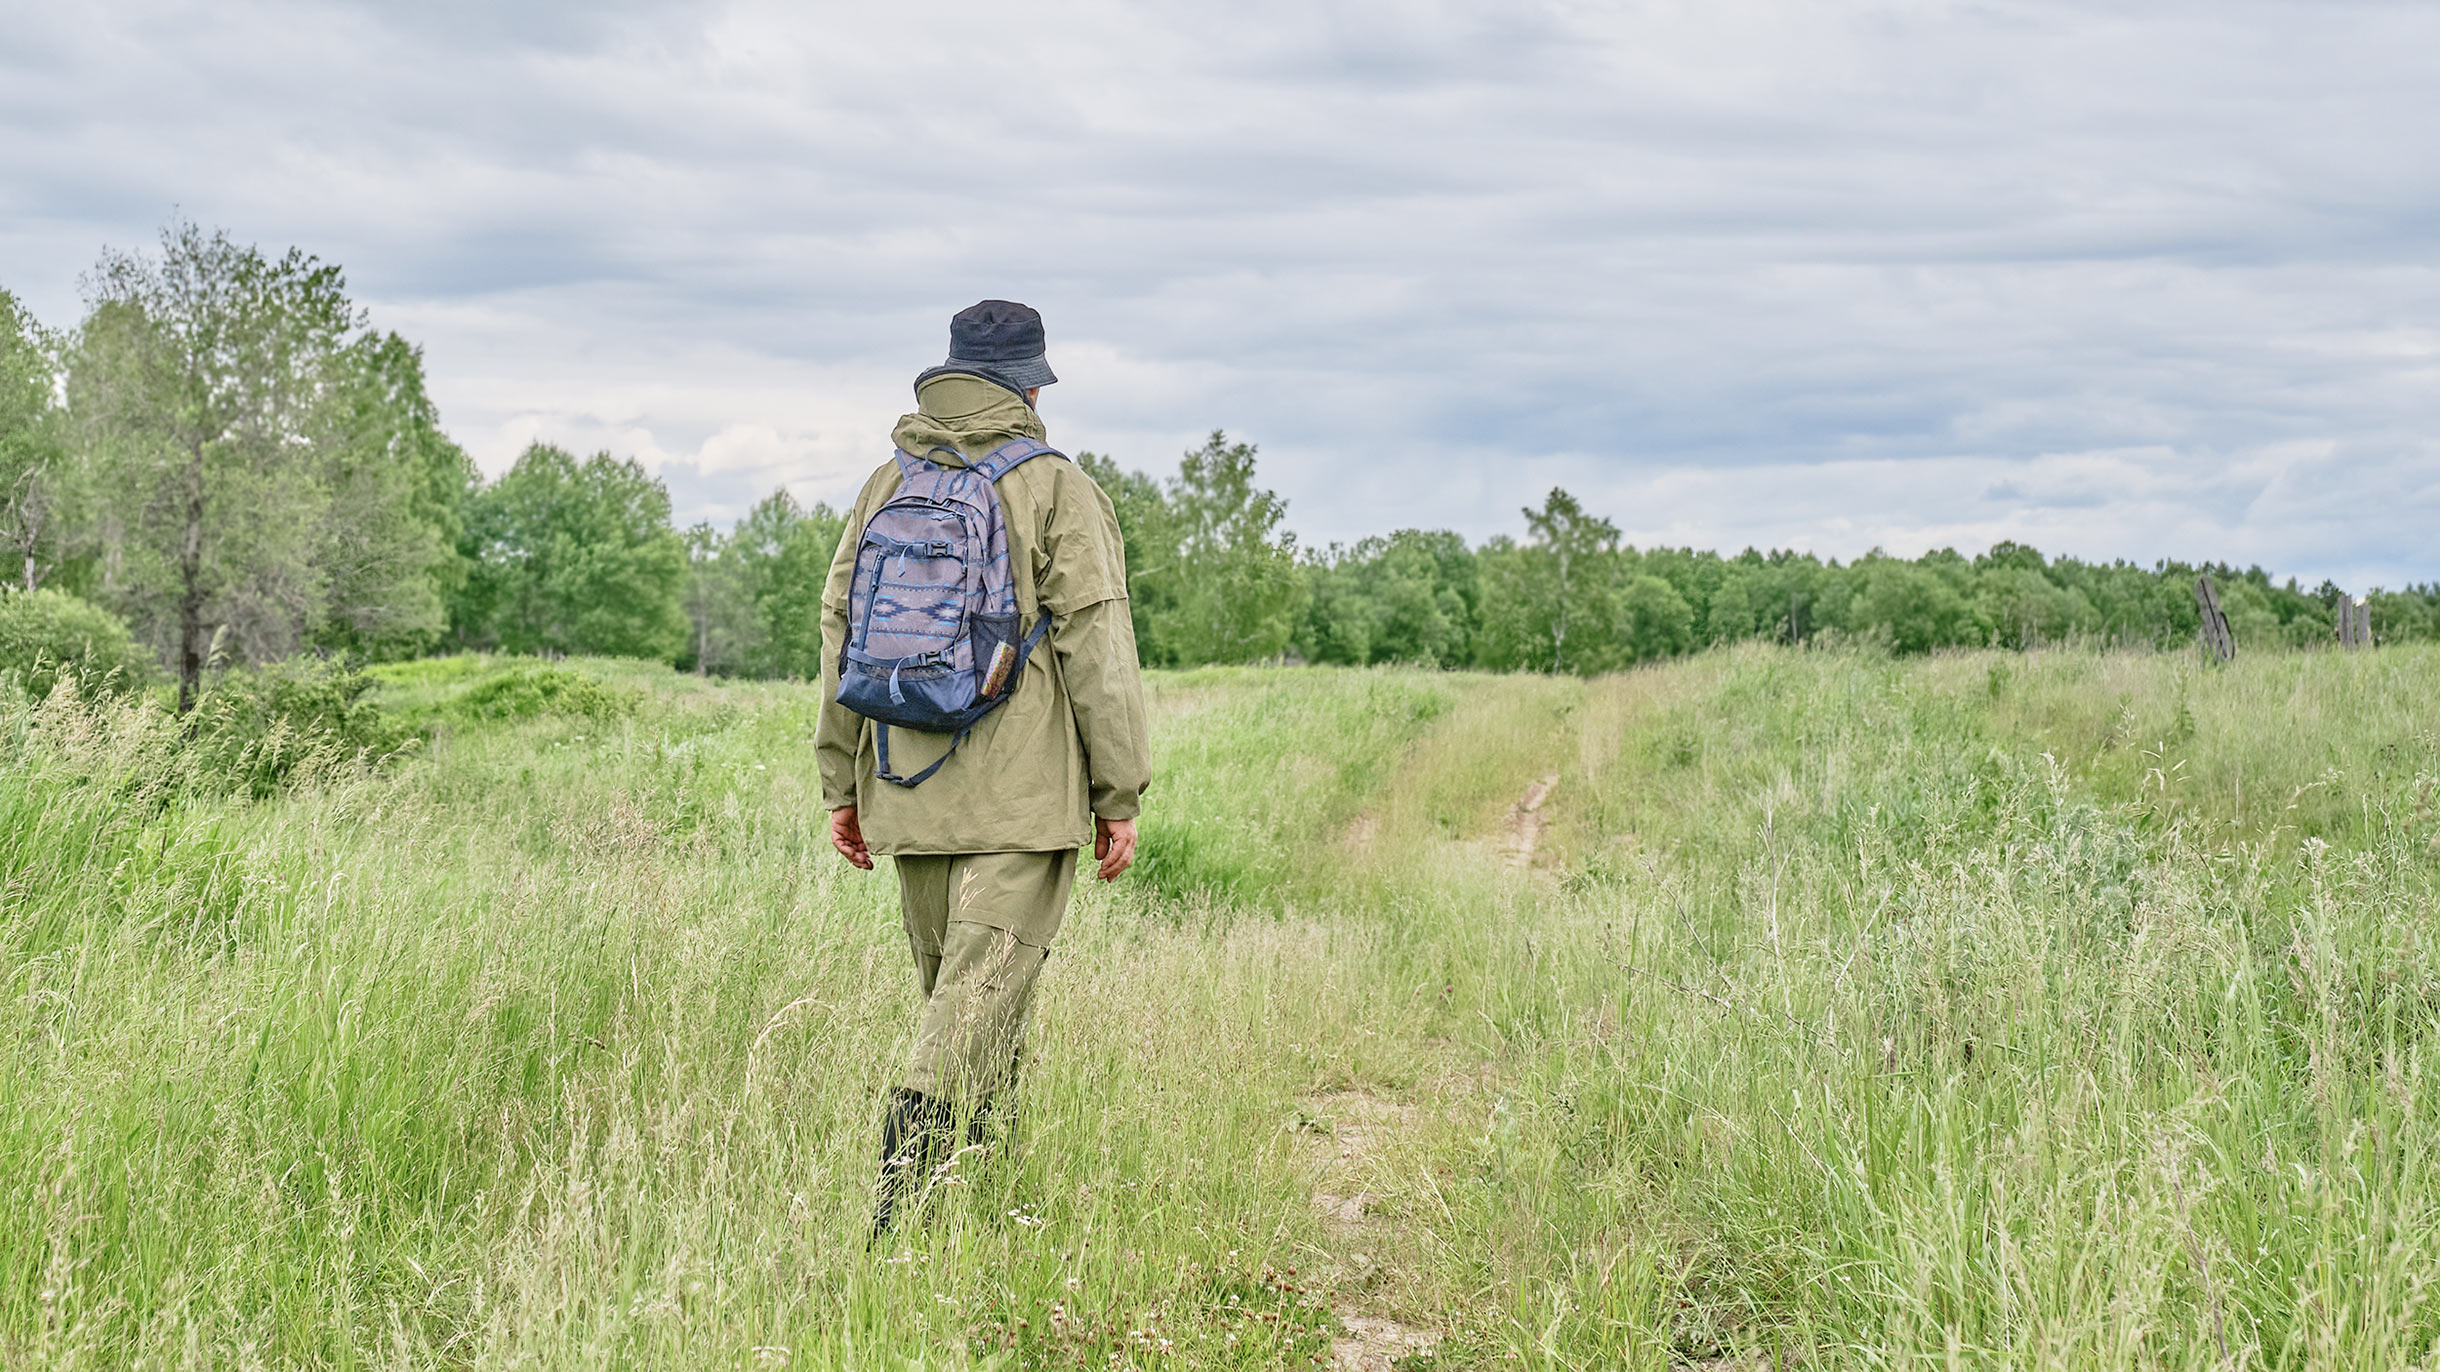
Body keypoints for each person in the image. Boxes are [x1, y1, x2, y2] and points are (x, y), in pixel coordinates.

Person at [816, 299, 1151, 1240]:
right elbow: (1097, 643)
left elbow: (840, 636)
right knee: (971, 1011)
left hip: (908, 786)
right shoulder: (1057, 486)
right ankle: (895, 1217)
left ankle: (962, 1216)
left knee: (970, 1007)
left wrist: (842, 782)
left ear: (949, 373)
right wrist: (1118, 792)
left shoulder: (889, 479)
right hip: (1020, 800)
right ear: (1032, 385)